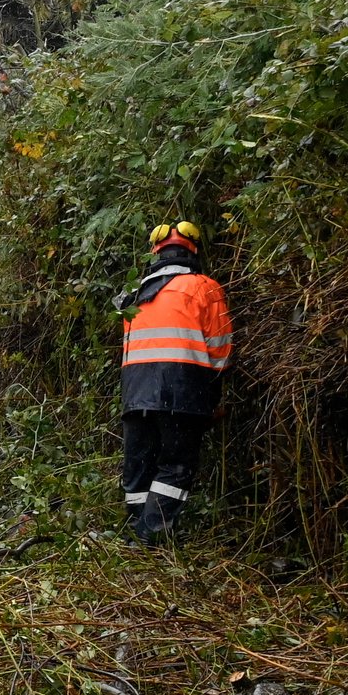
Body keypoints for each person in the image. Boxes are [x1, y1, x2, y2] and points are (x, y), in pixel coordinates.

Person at [119, 221, 233, 543]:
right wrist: (212, 398)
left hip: (135, 393)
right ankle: (147, 539)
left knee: (139, 471)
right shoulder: (205, 288)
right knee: (175, 467)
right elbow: (220, 351)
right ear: (193, 250)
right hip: (182, 390)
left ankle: (135, 537)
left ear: (155, 252)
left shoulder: (135, 294)